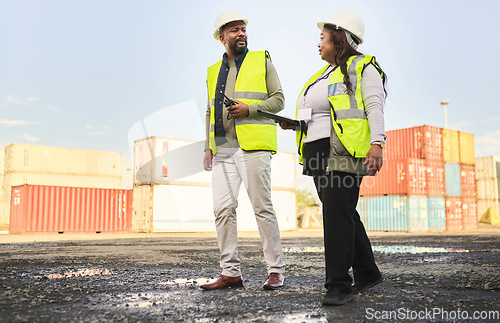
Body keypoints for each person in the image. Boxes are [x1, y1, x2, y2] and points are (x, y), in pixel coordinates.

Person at [277, 9, 386, 305]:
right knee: (344, 213)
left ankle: (338, 285)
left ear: (340, 38)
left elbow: (374, 106)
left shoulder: (363, 68)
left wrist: (378, 143)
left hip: (343, 152)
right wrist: (295, 123)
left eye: (322, 37)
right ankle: (367, 271)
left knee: (335, 218)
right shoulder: (324, 74)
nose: (318, 43)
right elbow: (319, 113)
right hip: (316, 153)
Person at [200, 9, 286, 291]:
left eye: (243, 29)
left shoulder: (263, 61)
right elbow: (210, 111)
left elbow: (279, 100)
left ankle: (275, 271)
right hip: (223, 148)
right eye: (235, 30)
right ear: (222, 37)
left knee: (262, 208)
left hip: (253, 147)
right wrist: (207, 146)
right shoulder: (213, 71)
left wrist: (251, 109)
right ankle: (230, 272)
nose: (241, 34)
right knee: (222, 209)